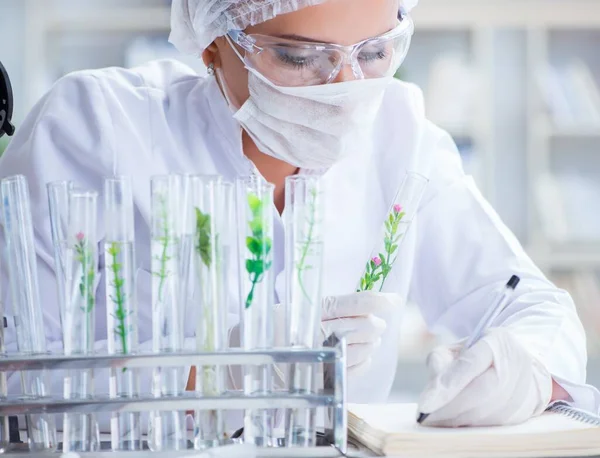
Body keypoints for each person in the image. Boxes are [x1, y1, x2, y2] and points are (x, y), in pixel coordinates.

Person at [0, 0, 598, 432]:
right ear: (214, 40)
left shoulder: (401, 136)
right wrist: (213, 381)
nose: (344, 86)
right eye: (298, 57)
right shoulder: (94, 128)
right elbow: (17, 384)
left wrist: (525, 368)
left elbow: (534, 306)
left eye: (373, 52)